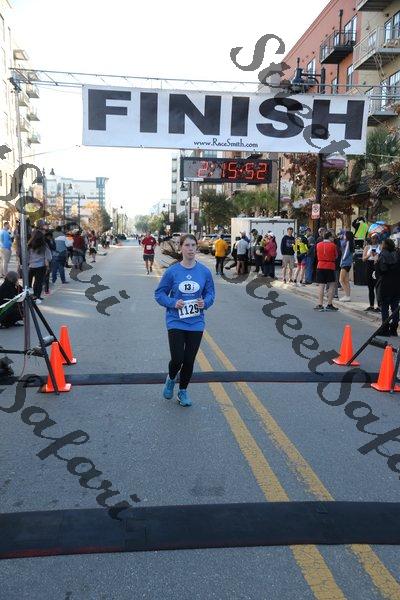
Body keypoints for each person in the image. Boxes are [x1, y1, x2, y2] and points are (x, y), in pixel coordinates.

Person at [154, 234, 215, 407]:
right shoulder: (172, 272)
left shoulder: (204, 271)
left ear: (196, 247)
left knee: (189, 360)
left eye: (193, 245)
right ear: (180, 248)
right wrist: (173, 303)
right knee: (177, 359)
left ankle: (183, 391)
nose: (190, 248)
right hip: (176, 320)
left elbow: (210, 293)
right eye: (187, 245)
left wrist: (205, 302)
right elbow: (159, 294)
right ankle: (171, 378)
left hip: (196, 322)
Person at [375, 238, 400, 336]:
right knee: (395, 307)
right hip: (396, 284)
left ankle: (385, 329)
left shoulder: (382, 255)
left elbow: (382, 270)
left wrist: (376, 263)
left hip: (385, 284)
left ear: (385, 245)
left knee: (384, 307)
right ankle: (394, 328)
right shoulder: (397, 254)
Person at [314, 231, 339, 312]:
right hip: (330, 266)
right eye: (332, 237)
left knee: (321, 286)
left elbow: (316, 254)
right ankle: (329, 304)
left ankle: (320, 304)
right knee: (331, 285)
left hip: (320, 265)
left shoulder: (318, 244)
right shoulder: (333, 245)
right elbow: (336, 256)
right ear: (329, 237)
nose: (333, 239)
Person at [27, 229, 52, 304]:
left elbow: (26, 257)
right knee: (38, 282)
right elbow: (49, 257)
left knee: (29, 282)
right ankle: (37, 296)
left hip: (31, 266)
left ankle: (31, 296)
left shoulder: (29, 245)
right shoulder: (44, 245)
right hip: (41, 266)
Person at [362, 233, 381, 312]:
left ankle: (379, 306)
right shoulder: (367, 247)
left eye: (376, 238)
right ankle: (371, 305)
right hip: (369, 266)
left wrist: (377, 256)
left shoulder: (380, 246)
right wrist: (370, 254)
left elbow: (383, 256)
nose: (374, 239)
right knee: (370, 287)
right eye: (373, 238)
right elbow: (363, 259)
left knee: (378, 286)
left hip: (377, 266)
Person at [339, 231, 354, 302]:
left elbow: (345, 253)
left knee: (341, 280)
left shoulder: (348, 242)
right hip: (348, 263)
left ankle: (347, 295)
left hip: (345, 263)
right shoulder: (350, 242)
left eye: (345, 235)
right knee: (346, 280)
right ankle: (348, 296)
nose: (343, 236)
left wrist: (342, 261)